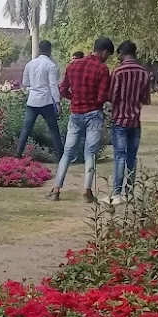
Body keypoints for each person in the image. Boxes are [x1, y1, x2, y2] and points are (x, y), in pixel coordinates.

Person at [51, 36, 114, 202]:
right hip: (93, 114)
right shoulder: (102, 69)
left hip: (76, 113)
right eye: (108, 55)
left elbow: (62, 89)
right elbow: (102, 97)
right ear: (105, 52)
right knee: (90, 153)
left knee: (67, 152)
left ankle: (57, 189)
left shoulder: (73, 65)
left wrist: (75, 98)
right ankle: (87, 191)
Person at [102, 40, 151, 204]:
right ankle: (129, 192)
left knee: (119, 156)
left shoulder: (118, 71)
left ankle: (116, 193)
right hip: (135, 121)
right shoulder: (144, 72)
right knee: (132, 157)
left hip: (120, 120)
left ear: (122, 53)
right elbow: (146, 99)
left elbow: (112, 96)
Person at [16, 39, 63, 160]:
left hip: (32, 101)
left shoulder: (30, 64)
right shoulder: (50, 65)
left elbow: (25, 83)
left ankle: (18, 153)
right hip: (46, 101)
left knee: (26, 128)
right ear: (49, 51)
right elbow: (53, 85)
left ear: (39, 50)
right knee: (53, 129)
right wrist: (57, 102)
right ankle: (61, 155)